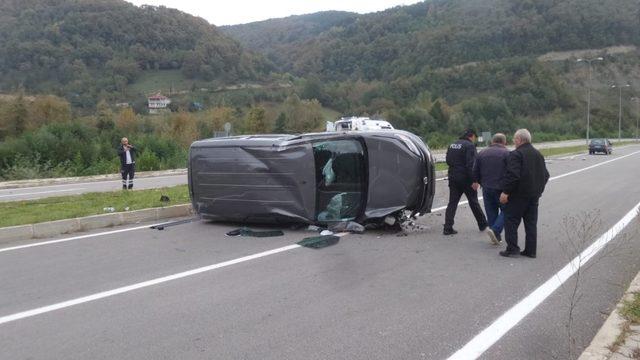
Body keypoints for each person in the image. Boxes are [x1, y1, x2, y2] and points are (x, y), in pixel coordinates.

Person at [499, 129, 550, 258]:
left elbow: (513, 175)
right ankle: (530, 250)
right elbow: (546, 175)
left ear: (520, 140)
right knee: (531, 224)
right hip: (533, 196)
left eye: (514, 139)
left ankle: (512, 249)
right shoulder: (538, 154)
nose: (513, 142)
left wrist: (505, 192)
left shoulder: (516, 155)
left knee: (510, 221)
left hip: (518, 196)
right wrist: (539, 190)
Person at [443, 129, 488, 235]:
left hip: (453, 177)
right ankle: (483, 224)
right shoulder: (469, 146)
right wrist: (475, 180)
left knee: (452, 203)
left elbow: (448, 161)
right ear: (471, 136)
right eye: (474, 138)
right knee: (473, 201)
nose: (474, 140)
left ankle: (447, 227)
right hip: (466, 179)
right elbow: (471, 164)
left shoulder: (453, 144)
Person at [472, 133, 509, 245]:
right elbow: (511, 171)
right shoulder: (507, 153)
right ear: (504, 142)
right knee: (507, 210)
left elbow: (475, 169)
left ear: (492, 141)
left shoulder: (482, 153)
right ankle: (496, 230)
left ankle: (496, 237)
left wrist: (476, 181)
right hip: (501, 188)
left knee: (491, 211)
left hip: (486, 187)